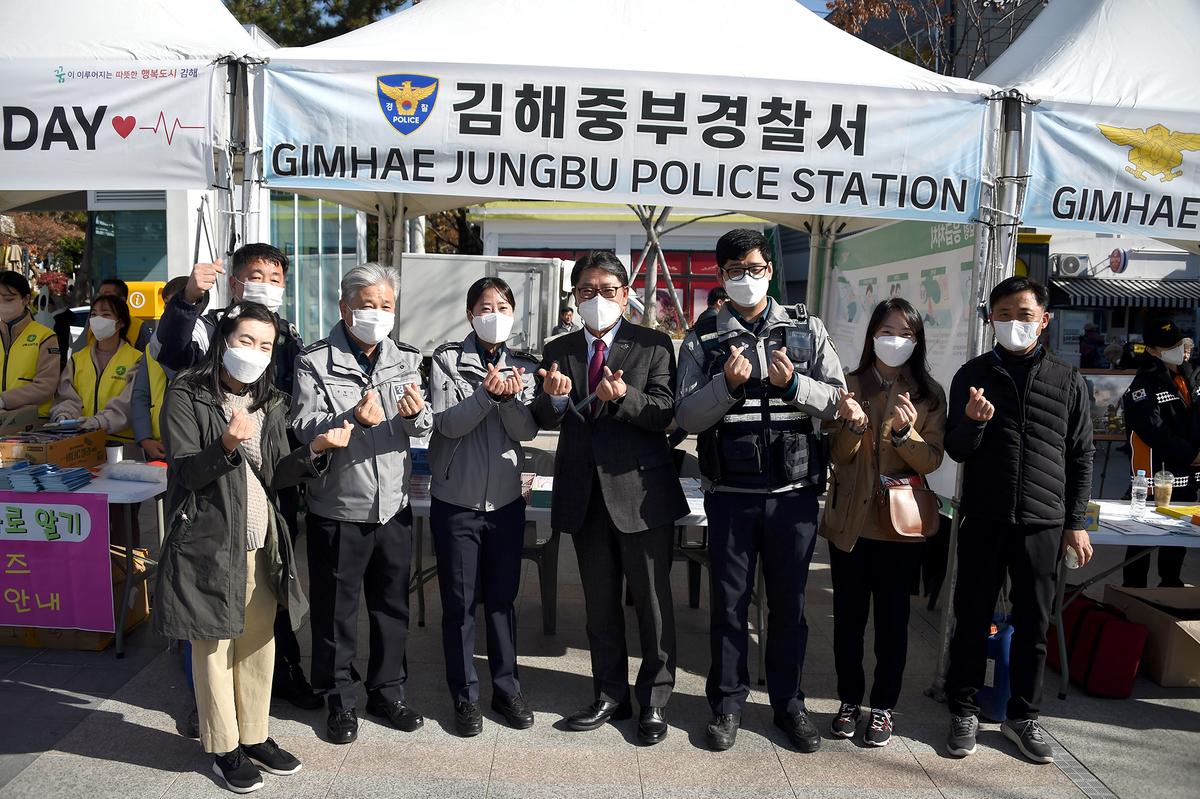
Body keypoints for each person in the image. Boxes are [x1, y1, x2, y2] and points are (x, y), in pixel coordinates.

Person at [154, 301, 351, 794]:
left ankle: (256, 735)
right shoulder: (188, 394)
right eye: (246, 341)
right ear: (222, 341)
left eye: (265, 345)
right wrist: (223, 446)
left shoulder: (271, 400)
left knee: (259, 642)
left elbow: (276, 473)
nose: (255, 353)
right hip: (207, 540)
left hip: (262, 539)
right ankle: (224, 748)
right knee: (214, 644)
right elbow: (183, 472)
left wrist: (317, 450)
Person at [676, 228, 845, 753]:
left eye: (753, 268)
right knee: (729, 605)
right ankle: (726, 704)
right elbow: (684, 414)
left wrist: (794, 385)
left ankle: (789, 705)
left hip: (794, 494)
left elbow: (838, 401)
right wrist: (724, 387)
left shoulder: (805, 327)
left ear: (769, 269)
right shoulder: (703, 337)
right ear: (720, 277)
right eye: (733, 271)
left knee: (789, 607)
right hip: (730, 493)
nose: (744, 279)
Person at [531, 250, 686, 746]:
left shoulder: (655, 344)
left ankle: (655, 700)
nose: (596, 299)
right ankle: (610, 694)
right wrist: (554, 398)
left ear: (625, 294)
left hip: (640, 495)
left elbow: (665, 413)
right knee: (600, 604)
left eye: (606, 290)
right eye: (586, 291)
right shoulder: (559, 347)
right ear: (574, 296)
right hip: (585, 493)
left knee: (653, 603)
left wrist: (624, 399)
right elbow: (545, 416)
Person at [156, 244, 317, 710]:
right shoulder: (212, 329)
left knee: (268, 591)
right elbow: (173, 347)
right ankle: (203, 707)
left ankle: (282, 678)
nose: (266, 282)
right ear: (235, 281)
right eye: (255, 274)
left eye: (275, 276)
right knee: (210, 608)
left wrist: (313, 452)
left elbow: (287, 402)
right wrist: (189, 297)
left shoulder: (288, 335)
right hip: (213, 485)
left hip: (269, 478)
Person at [943, 276, 1094, 765]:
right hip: (984, 517)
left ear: (1044, 321)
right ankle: (963, 708)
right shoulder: (971, 374)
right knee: (971, 619)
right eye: (1004, 316)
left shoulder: (1069, 380)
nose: (1014, 325)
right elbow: (957, 449)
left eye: (1025, 316)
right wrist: (972, 420)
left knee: (1034, 625)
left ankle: (1023, 716)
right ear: (990, 320)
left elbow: (1081, 455)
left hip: (1043, 522)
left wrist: (1076, 521)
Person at [290, 263, 431, 745]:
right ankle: (340, 699)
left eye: (385, 306)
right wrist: (352, 416)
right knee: (336, 612)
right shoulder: (315, 360)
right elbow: (305, 427)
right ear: (345, 307)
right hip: (339, 508)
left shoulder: (406, 358)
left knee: (392, 606)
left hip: (392, 505)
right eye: (367, 305)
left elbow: (423, 426)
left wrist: (417, 418)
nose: (377, 314)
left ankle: (387, 692)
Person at [819, 298, 946, 747]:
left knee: (893, 622)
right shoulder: (848, 384)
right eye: (889, 331)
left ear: (918, 341)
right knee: (848, 621)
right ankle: (849, 700)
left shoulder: (929, 394)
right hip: (851, 523)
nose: (896, 341)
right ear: (872, 334)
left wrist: (903, 434)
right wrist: (852, 426)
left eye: (907, 334)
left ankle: (884, 708)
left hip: (902, 525)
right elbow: (836, 456)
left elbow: (931, 459)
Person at [429, 277, 540, 736]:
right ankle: (464, 694)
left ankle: (506, 687)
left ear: (513, 314)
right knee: (458, 603)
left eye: (502, 305)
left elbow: (527, 430)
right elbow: (447, 425)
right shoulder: (446, 360)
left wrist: (509, 399)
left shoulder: (525, 365)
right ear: (470, 313)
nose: (494, 313)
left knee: (501, 600)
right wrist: (485, 396)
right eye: (484, 306)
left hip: (507, 503)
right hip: (457, 501)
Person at [1122, 319, 1198, 588]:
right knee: (1141, 545)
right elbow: (1152, 429)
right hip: (1153, 480)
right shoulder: (1143, 384)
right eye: (1170, 346)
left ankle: (1170, 593)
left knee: (1176, 547)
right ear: (1153, 351)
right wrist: (1191, 455)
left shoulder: (1191, 376)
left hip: (1187, 480)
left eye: (1180, 343)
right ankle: (1131, 598)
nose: (1179, 350)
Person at [49, 294, 141, 440]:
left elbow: (130, 404)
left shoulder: (136, 359)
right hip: (82, 442)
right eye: (93, 314)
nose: (98, 319)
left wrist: (99, 422)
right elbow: (67, 398)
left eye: (105, 314)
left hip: (122, 445)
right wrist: (64, 416)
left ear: (121, 322)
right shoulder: (77, 359)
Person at [131, 278, 189, 461]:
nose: (167, 312)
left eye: (173, 306)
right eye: (166, 306)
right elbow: (140, 396)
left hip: (190, 443)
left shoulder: (205, 341)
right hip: (157, 444)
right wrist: (145, 439)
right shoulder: (152, 346)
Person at [0, 272, 60, 418]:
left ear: (25, 299)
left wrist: (4, 400)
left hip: (32, 424)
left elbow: (46, 386)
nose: (2, 304)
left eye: (9, 299)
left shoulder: (45, 337)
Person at [76, 278, 151, 351]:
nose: (102, 299)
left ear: (122, 300)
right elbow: (79, 348)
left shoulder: (138, 327)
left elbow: (150, 358)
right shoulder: (92, 322)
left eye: (107, 295)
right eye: (99, 295)